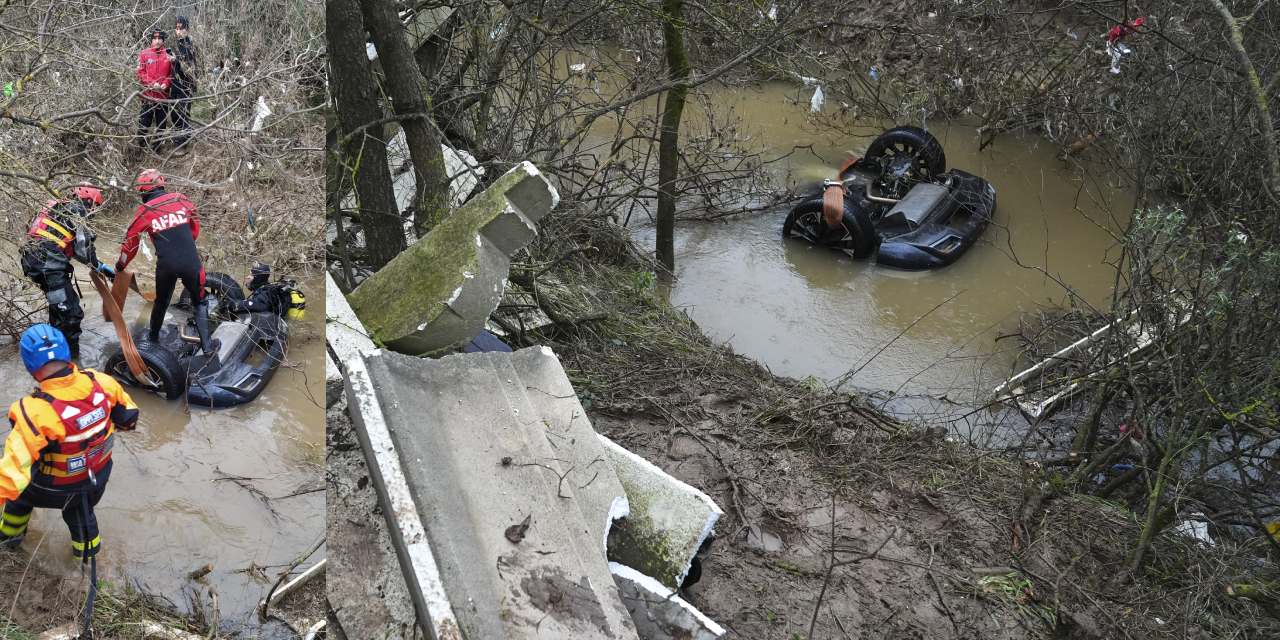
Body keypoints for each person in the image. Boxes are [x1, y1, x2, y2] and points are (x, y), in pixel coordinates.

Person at [0, 325, 139, 559]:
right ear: (66, 353)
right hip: (97, 481)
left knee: (18, 497)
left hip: (53, 490)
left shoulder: (31, 410)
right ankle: (86, 562)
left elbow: (12, 475)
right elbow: (129, 418)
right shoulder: (102, 382)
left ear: (30, 367)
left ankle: (8, 543)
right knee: (80, 512)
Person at [114, 169, 219, 355]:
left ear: (143, 191)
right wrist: (186, 244)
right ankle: (208, 348)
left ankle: (153, 340)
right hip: (190, 262)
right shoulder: (181, 199)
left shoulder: (144, 211)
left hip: (166, 265)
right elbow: (194, 226)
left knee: (161, 302)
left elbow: (130, 244)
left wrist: (120, 266)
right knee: (200, 302)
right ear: (161, 184)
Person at [20, 184, 116, 361]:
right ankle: (72, 361)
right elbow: (84, 248)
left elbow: (68, 245)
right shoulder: (78, 211)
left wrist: (98, 265)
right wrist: (99, 266)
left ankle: (54, 354)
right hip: (50, 269)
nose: (93, 212)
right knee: (71, 315)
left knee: (58, 309)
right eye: (94, 208)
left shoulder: (57, 208)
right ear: (89, 202)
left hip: (35, 264)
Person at [136, 28, 174, 151]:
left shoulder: (168, 55)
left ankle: (157, 148)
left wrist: (166, 84)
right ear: (151, 40)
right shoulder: (144, 54)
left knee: (161, 125)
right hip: (148, 96)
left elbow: (171, 75)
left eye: (160, 39)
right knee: (144, 123)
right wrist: (152, 83)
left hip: (163, 97)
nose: (157, 41)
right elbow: (141, 73)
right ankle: (139, 147)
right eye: (154, 38)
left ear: (163, 40)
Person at [168, 16, 198, 153]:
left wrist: (176, 59)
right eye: (177, 28)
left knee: (183, 113)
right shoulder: (175, 44)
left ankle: (182, 144)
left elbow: (191, 65)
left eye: (181, 28)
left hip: (186, 85)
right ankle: (178, 139)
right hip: (175, 84)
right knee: (174, 113)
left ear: (187, 29)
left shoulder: (190, 44)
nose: (178, 31)